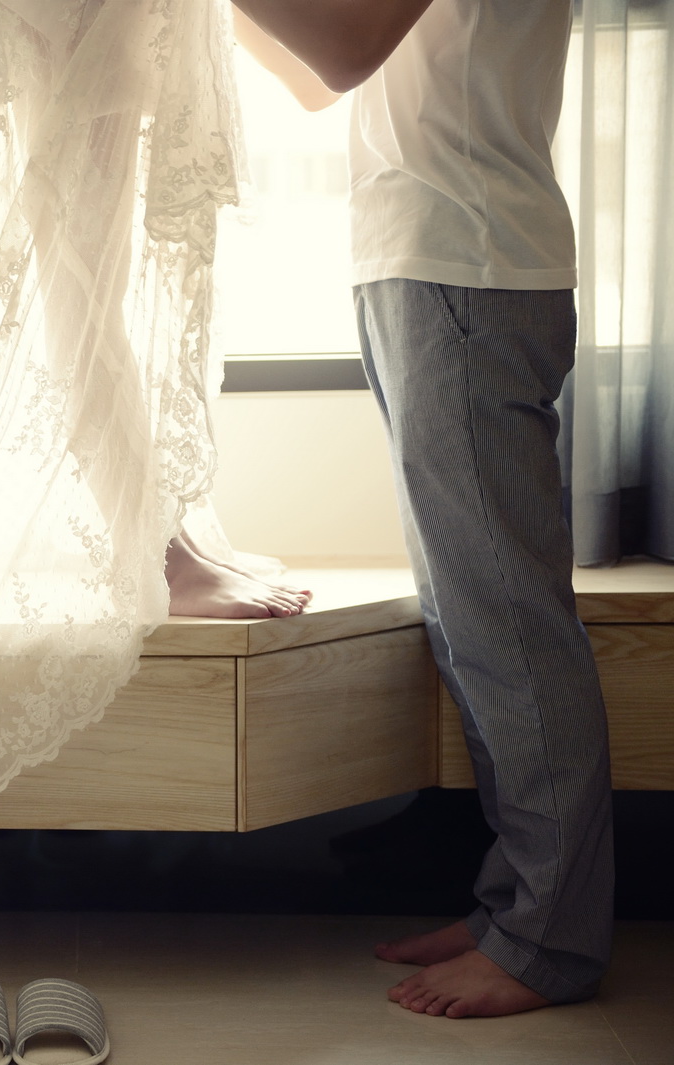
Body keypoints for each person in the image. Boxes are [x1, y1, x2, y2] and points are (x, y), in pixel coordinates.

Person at [232, 0, 615, 1018]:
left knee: (508, 627)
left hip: (466, 260)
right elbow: (314, 79)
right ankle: (514, 908)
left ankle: (549, 937)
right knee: (469, 622)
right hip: (419, 259)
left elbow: (343, 50)